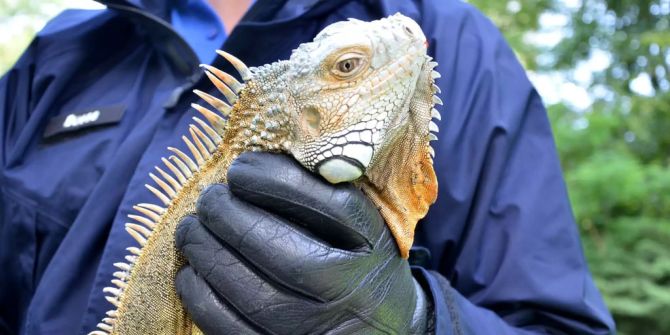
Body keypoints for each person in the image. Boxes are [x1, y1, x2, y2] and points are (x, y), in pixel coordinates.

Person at [0, 0, 616, 334]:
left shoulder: (455, 39)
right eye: (348, 66)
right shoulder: (60, 55)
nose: (400, 40)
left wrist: (417, 323)